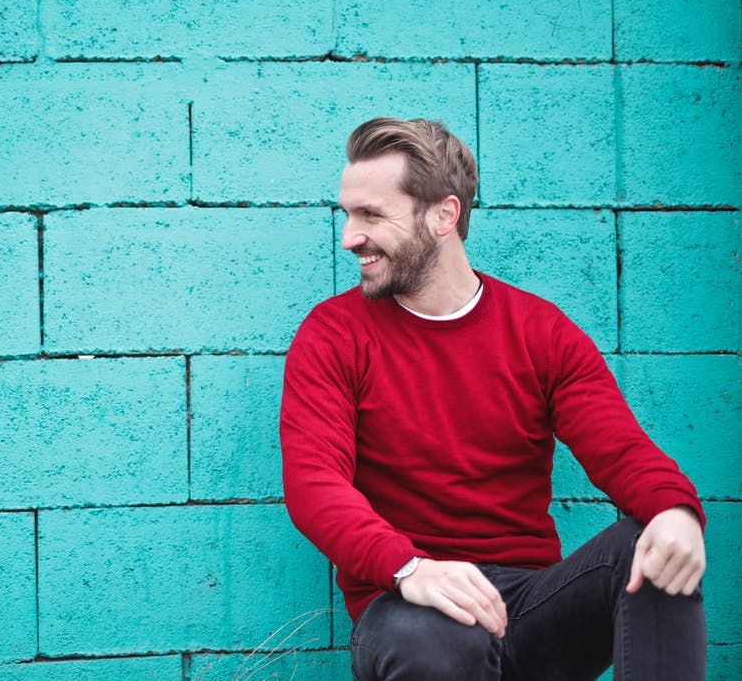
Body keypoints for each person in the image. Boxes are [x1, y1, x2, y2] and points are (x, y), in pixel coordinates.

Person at [279, 118, 707, 680]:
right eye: (348, 214)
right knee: (429, 644)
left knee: (651, 548)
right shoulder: (334, 334)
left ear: (443, 216)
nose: (349, 236)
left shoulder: (539, 331)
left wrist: (676, 511)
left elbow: (621, 449)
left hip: (528, 606)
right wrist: (410, 569)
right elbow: (314, 485)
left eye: (371, 215)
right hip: (409, 605)